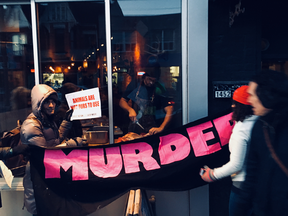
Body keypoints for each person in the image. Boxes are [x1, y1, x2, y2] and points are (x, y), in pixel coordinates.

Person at [20, 84, 86, 216]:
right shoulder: (31, 125)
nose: (51, 106)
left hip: (48, 178)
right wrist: (70, 144)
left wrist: (66, 123)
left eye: (53, 102)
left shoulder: (46, 120)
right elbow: (44, 155)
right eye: (47, 102)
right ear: (38, 104)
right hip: (39, 181)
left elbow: (55, 141)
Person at [200, 85, 258, 216]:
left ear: (240, 106)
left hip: (242, 188)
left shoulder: (241, 130)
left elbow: (236, 164)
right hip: (260, 185)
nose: (232, 106)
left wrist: (212, 174)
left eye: (234, 103)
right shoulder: (261, 123)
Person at [242, 70, 288, 216]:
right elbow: (251, 172)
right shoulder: (259, 126)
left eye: (251, 95)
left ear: (267, 95)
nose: (249, 101)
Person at [119, 64, 174, 135]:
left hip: (153, 130)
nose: (151, 82)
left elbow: (169, 109)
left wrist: (161, 127)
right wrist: (130, 110)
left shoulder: (159, 88)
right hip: (135, 127)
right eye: (149, 79)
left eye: (153, 81)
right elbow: (122, 101)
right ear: (144, 77)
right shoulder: (135, 84)